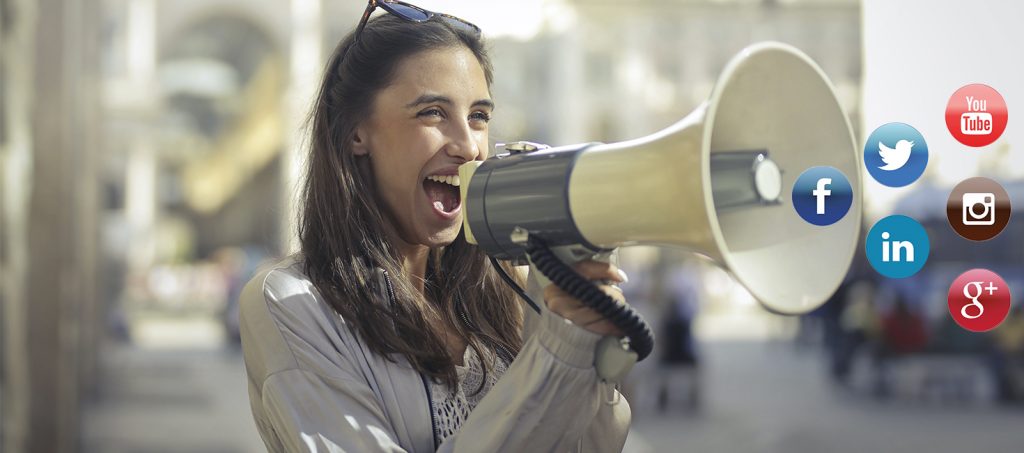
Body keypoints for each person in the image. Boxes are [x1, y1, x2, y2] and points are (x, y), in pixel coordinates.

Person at [238, 2, 632, 452]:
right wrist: (556, 358)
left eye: (479, 117)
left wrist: (582, 341)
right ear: (355, 133)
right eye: (432, 113)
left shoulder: (511, 288)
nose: (468, 146)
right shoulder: (292, 303)